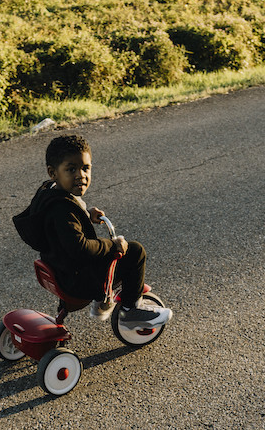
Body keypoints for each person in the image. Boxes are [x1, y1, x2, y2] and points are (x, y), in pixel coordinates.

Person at [13, 133, 173, 329]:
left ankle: (102, 302)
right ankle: (130, 312)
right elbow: (80, 248)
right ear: (53, 172)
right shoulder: (62, 209)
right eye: (71, 169)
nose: (81, 175)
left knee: (108, 254)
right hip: (77, 280)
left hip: (60, 267)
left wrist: (86, 215)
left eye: (86, 168)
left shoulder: (49, 193)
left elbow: (58, 226)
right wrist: (112, 244)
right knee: (134, 252)